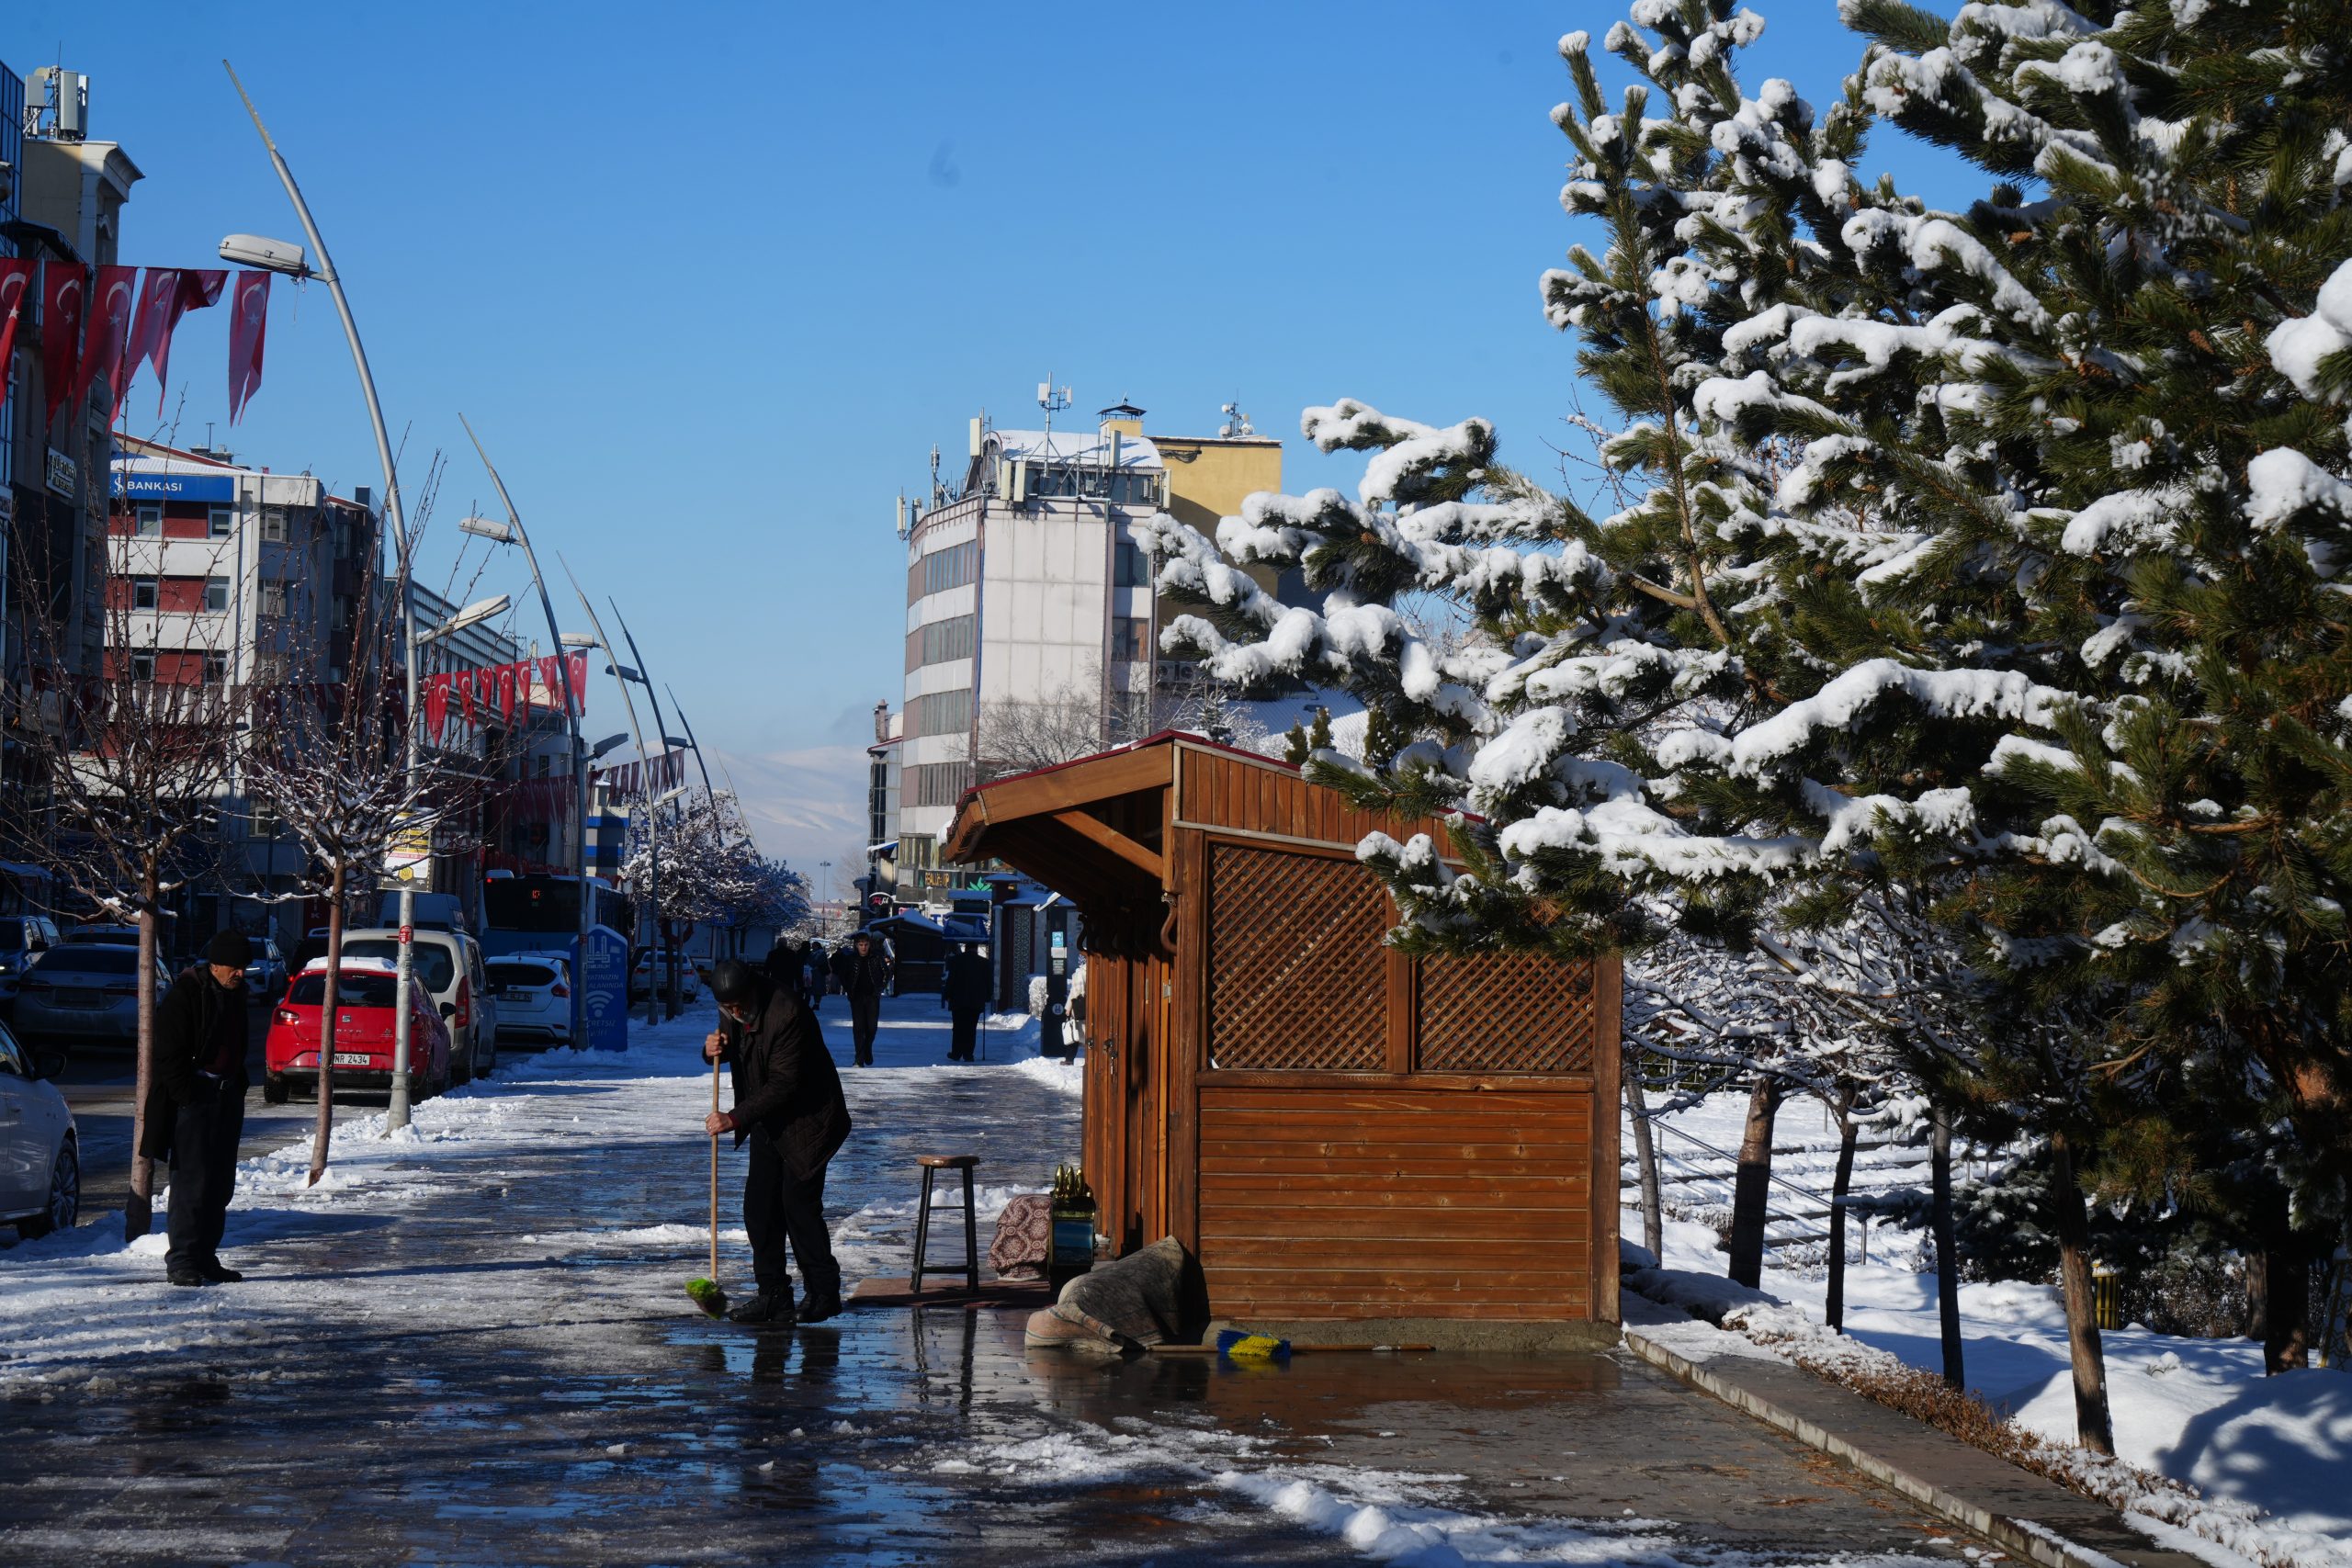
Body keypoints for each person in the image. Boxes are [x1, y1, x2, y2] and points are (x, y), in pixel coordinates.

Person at [702, 958, 850, 1325]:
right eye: (728, 1008)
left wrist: (734, 1117)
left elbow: (785, 1083)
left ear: (751, 991)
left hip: (808, 1120)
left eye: (739, 1006)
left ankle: (824, 1293)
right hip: (768, 1120)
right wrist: (713, 1050)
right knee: (759, 1208)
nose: (735, 1013)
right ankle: (773, 1295)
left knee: (797, 1207)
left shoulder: (788, 1012)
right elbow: (740, 1049)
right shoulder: (732, 1006)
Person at [141, 931, 254, 1287]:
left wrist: (236, 1084)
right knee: (192, 1182)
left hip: (226, 1097)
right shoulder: (186, 994)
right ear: (215, 965)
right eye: (235, 967)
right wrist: (187, 1095)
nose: (240, 974)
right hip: (195, 1100)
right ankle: (182, 1259)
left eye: (244, 967)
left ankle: (205, 1256)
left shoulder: (236, 994)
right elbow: (167, 1053)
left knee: (219, 1184)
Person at [829, 931, 892, 1067]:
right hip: (856, 997)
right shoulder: (850, 959)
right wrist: (849, 990)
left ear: (869, 945)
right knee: (858, 1028)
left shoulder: (876, 957)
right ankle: (859, 1059)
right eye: (861, 945)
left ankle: (867, 1048)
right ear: (856, 945)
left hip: (872, 997)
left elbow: (887, 973)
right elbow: (843, 975)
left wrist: (879, 988)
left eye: (866, 944)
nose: (863, 947)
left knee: (872, 1028)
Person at [942, 942, 991, 1063]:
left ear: (966, 949)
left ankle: (956, 1053)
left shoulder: (956, 960)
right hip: (976, 1001)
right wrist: (987, 997)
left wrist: (947, 995)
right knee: (971, 1028)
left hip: (958, 1000)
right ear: (976, 949)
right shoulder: (984, 963)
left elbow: (951, 980)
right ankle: (968, 1054)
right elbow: (988, 982)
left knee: (958, 1027)